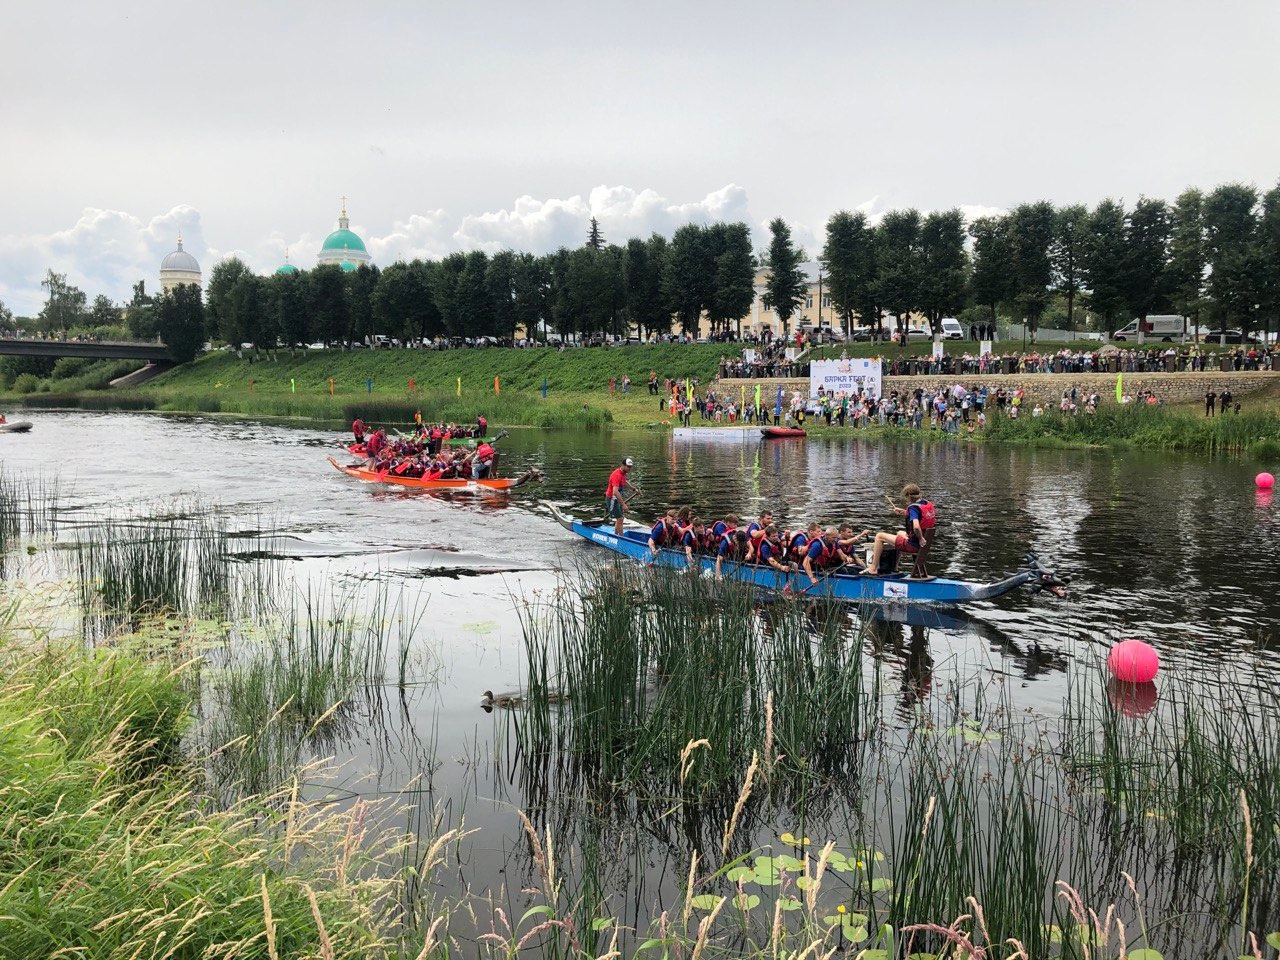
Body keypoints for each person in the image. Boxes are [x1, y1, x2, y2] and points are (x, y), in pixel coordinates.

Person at [870, 484, 936, 574]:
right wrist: (904, 511)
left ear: (908, 496)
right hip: (925, 544)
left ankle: (873, 568)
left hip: (915, 545)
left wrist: (920, 538)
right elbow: (920, 516)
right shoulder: (927, 504)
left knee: (879, 536)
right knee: (899, 533)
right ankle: (895, 568)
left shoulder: (913, 508)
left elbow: (916, 526)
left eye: (906, 497)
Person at [604, 458, 636, 536]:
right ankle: (621, 539)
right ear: (623, 465)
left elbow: (624, 482)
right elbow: (615, 491)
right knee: (620, 518)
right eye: (628, 467)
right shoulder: (616, 475)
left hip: (617, 498)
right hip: (612, 499)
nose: (630, 468)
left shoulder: (623, 473)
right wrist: (623, 504)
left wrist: (634, 489)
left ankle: (616, 535)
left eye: (631, 467)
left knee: (620, 519)